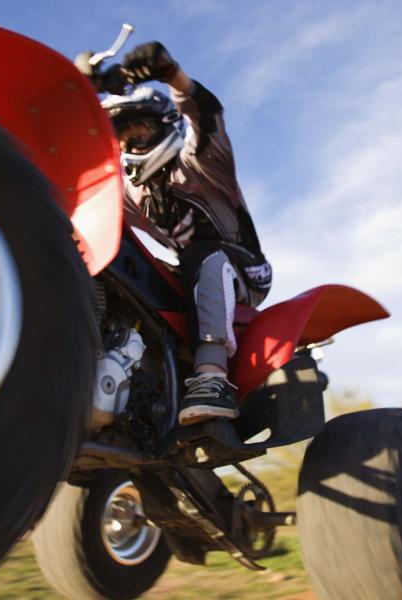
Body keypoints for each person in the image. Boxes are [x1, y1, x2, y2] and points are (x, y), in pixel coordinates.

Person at [102, 41, 272, 426]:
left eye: (139, 130)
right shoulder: (134, 192)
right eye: (123, 137)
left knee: (202, 254)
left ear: (164, 126)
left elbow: (206, 114)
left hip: (247, 270)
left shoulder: (201, 164)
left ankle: (213, 379)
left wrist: (170, 73)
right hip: (194, 274)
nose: (130, 143)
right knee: (130, 275)